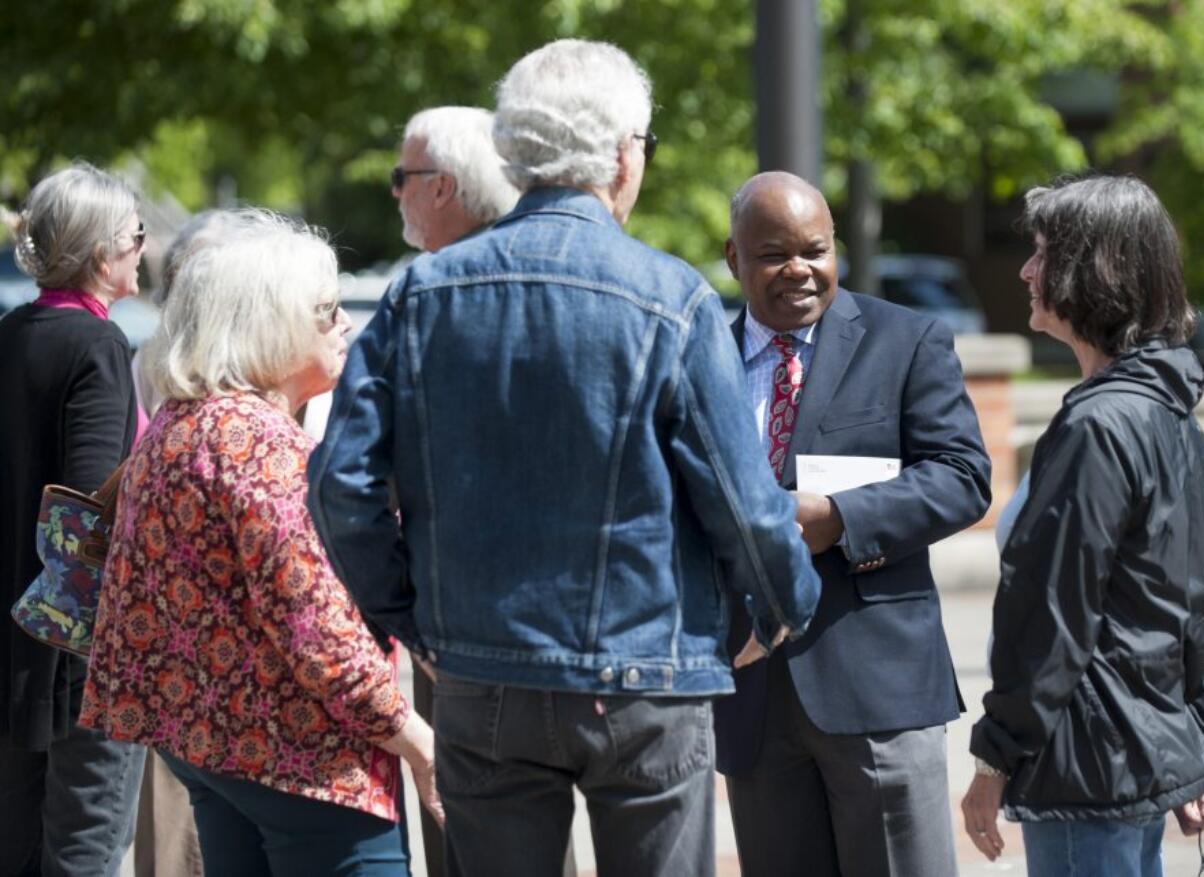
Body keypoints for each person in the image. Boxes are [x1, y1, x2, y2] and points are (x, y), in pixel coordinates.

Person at [308, 39, 821, 877]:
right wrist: (782, 607)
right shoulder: (673, 298)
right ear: (623, 155)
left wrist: (413, 617)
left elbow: (340, 484)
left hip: (482, 669)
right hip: (646, 671)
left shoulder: (422, 293)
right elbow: (746, 503)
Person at [78, 209, 443, 876]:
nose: (346, 324)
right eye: (325, 310)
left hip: (217, 750)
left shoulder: (179, 423)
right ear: (267, 323)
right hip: (304, 763)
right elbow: (320, 636)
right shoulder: (260, 446)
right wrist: (419, 741)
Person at [713, 171, 992, 877]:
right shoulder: (697, 353)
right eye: (775, 252)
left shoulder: (905, 340)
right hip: (750, 691)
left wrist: (839, 518)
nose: (800, 269)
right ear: (733, 258)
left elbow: (962, 476)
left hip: (877, 686)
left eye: (816, 248)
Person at [962, 174, 1204, 876]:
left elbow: (1049, 614)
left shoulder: (1099, 424)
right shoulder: (1168, 413)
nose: (1025, 268)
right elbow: (1201, 603)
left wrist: (994, 754)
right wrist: (1189, 749)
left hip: (1087, 769)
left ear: (1092, 271)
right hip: (1129, 763)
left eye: (1042, 252)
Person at [387, 105, 526, 877]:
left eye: (400, 179)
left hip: (461, 627)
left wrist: (400, 611)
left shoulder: (424, 299)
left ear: (441, 187)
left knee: (476, 835)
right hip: (555, 624)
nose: (395, 195)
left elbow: (358, 477)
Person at [0, 162, 147, 876]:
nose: (144, 249)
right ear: (101, 254)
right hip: (78, 651)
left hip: (12, 635)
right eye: (137, 235)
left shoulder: (12, 331)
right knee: (85, 847)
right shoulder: (98, 345)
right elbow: (89, 507)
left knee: (18, 845)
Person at [127, 209, 248, 877]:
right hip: (174, 627)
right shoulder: (153, 363)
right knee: (173, 820)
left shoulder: (279, 359)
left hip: (260, 633)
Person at [393, 106, 520, 252]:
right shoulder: (527, 253)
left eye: (399, 178)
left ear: (441, 188)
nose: (395, 192)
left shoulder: (431, 273)